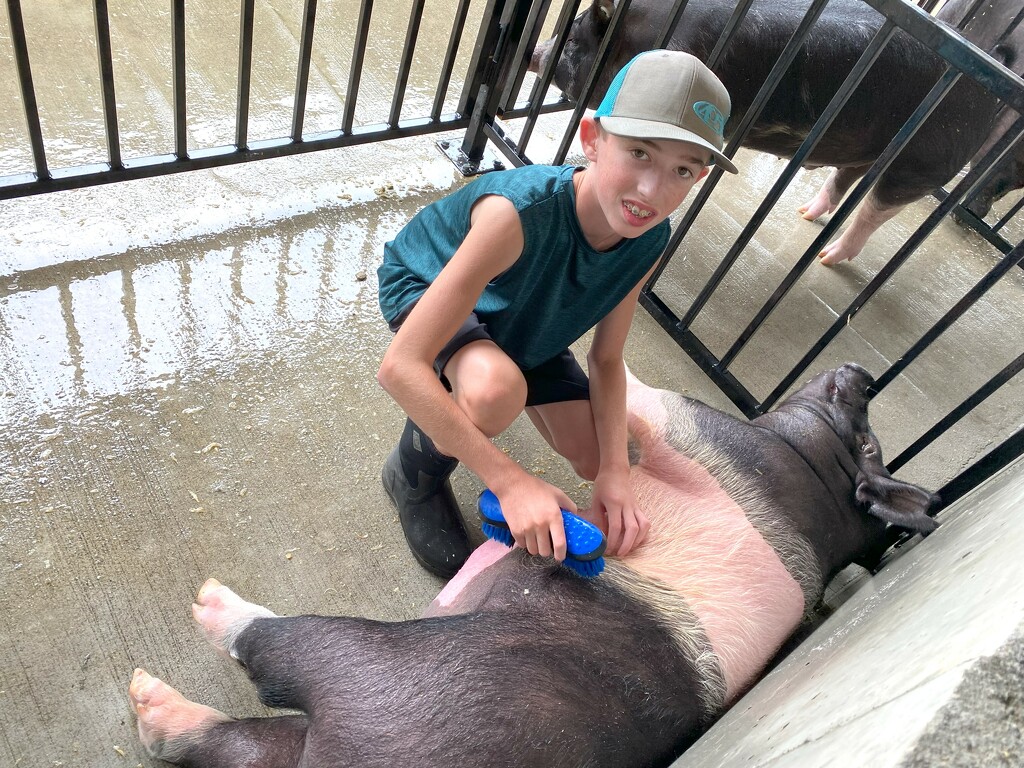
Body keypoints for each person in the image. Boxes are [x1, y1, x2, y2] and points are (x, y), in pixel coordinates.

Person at [376, 50, 739, 578]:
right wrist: (510, 481)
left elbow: (608, 358)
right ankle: (411, 477)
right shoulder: (515, 216)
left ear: (699, 176)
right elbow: (400, 366)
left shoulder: (649, 237)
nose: (651, 192)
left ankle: (505, 368)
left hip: (527, 318)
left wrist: (614, 473)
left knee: (604, 454)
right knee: (495, 392)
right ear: (592, 139)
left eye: (681, 169)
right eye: (639, 153)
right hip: (429, 281)